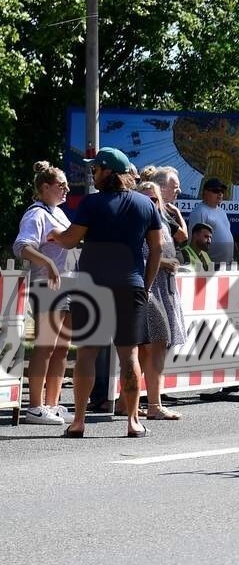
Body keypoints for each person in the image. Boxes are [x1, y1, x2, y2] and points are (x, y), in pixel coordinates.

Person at [47, 146, 162, 438]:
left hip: (92, 285)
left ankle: (79, 421)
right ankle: (133, 421)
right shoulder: (146, 205)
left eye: (95, 169)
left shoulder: (91, 204)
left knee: (86, 353)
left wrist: (53, 236)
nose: (92, 174)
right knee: (130, 355)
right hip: (131, 285)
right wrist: (145, 286)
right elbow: (157, 249)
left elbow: (71, 240)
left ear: (109, 172)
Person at [13, 161, 73, 425]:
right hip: (48, 287)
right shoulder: (36, 213)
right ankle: (35, 406)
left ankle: (52, 403)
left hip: (68, 286)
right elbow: (22, 246)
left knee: (62, 348)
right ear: (44, 187)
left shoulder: (58, 212)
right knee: (46, 346)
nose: (66, 189)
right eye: (61, 185)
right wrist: (47, 263)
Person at [134, 181, 186, 420]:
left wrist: (170, 261)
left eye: (154, 199)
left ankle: (143, 403)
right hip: (147, 288)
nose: (151, 204)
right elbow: (132, 259)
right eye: (145, 200)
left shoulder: (162, 221)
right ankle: (152, 404)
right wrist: (163, 263)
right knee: (151, 346)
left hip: (164, 288)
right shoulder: (135, 224)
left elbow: (173, 246)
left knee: (154, 347)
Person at [186, 177, 234, 264]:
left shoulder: (222, 211)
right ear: (205, 192)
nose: (220, 194)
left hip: (227, 263)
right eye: (216, 191)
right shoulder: (199, 211)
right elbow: (193, 241)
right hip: (210, 264)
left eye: (222, 191)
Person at [150, 166, 188, 246]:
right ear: (161, 188)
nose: (179, 191)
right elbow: (183, 236)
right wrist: (177, 212)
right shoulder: (158, 209)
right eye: (175, 187)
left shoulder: (158, 208)